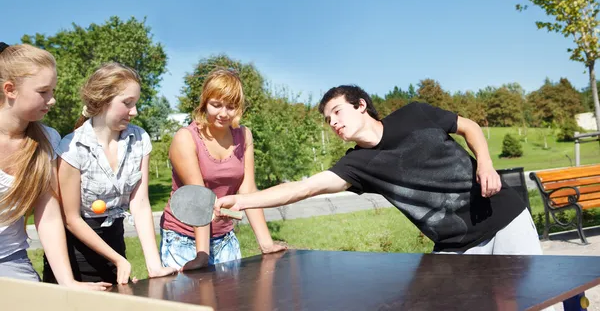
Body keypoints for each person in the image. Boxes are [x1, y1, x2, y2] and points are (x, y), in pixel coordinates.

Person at [216, 85, 543, 255]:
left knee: (541, 303)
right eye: (328, 120)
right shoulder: (356, 165)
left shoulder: (415, 114)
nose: (333, 123)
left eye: (337, 112)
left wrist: (485, 163)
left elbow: (468, 126)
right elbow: (302, 188)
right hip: (455, 244)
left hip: (503, 219)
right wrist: (242, 202)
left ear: (361, 105)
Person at [43, 62, 176, 285]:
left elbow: (141, 203)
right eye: (127, 103)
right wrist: (118, 260)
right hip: (76, 257)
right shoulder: (72, 148)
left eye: (135, 103)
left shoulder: (140, 139)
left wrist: (154, 265)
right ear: (103, 101)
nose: (134, 111)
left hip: (115, 245)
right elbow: (71, 219)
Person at [0, 43, 109, 290]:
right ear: (10, 90)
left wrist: (68, 282)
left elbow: (48, 216)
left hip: (11, 260)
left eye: (53, 90)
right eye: (43, 92)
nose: (52, 99)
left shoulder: (48, 140)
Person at [160, 68, 285, 271]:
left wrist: (266, 244)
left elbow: (248, 191)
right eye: (216, 105)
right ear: (205, 103)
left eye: (231, 107)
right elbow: (198, 199)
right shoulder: (185, 138)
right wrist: (202, 256)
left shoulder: (244, 135)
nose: (223, 113)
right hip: (184, 238)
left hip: (224, 237)